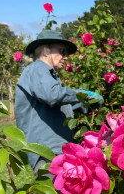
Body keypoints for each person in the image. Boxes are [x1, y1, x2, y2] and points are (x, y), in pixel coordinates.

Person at [15, 29, 101, 176]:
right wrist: (81, 95)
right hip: (47, 153)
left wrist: (88, 103)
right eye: (61, 51)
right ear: (45, 51)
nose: (65, 57)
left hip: (55, 151)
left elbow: (62, 103)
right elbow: (53, 95)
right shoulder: (37, 69)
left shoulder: (47, 78)